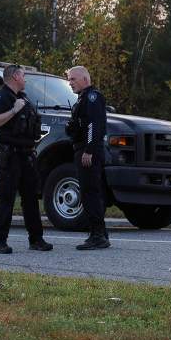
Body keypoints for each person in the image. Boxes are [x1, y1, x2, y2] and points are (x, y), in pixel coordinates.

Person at [0, 64, 53, 254]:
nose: (25, 79)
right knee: (6, 199)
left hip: (26, 155)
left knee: (31, 199)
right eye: (23, 75)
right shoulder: (1, 97)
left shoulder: (23, 98)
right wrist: (14, 110)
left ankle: (36, 239)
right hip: (9, 156)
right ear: (15, 76)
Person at [66, 65, 110, 250]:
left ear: (84, 79)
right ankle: (101, 233)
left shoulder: (92, 97)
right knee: (91, 191)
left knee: (90, 192)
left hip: (88, 151)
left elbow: (94, 125)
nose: (70, 83)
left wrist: (89, 150)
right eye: (69, 80)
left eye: (73, 79)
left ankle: (97, 235)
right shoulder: (82, 99)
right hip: (83, 148)